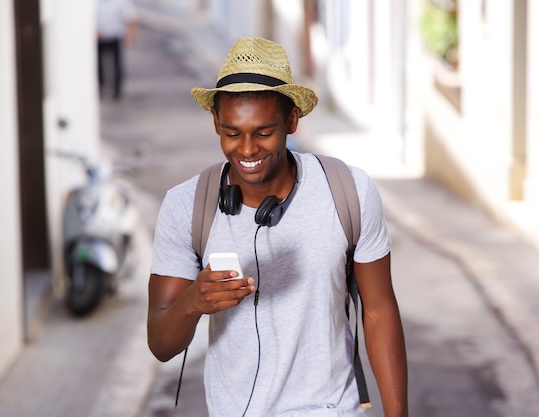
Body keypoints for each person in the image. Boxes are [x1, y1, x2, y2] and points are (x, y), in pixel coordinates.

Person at [147, 37, 408, 417]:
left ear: (291, 121)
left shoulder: (348, 191)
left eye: (263, 132)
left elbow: (380, 310)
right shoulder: (186, 206)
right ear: (216, 122)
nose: (247, 149)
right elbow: (160, 345)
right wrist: (192, 303)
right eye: (232, 133)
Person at [96, 0, 138, 100]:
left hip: (115, 36)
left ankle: (117, 92)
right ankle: (100, 89)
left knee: (117, 65)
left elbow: (131, 18)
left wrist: (131, 35)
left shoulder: (120, 2)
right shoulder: (94, 3)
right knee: (98, 65)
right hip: (99, 37)